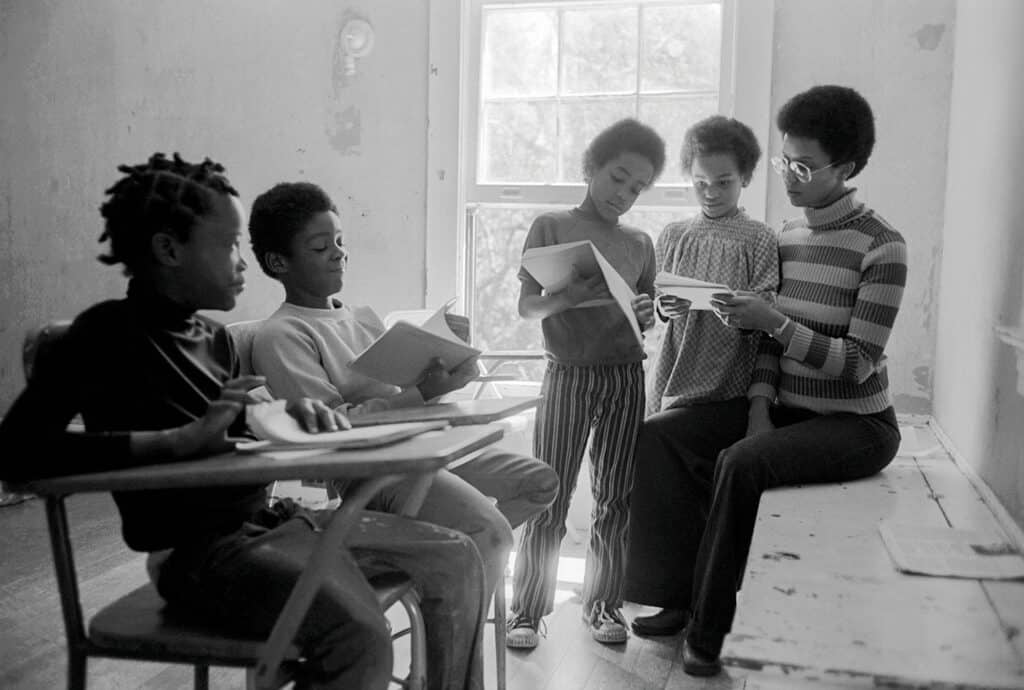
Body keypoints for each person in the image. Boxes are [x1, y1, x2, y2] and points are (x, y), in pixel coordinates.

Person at [0, 153, 489, 690]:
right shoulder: (99, 337)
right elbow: (17, 453)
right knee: (360, 637)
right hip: (200, 559)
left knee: (457, 556)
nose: (242, 262)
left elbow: (231, 437)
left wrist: (286, 418)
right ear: (168, 249)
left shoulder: (214, 339)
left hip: (271, 526)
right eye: (229, 245)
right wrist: (175, 441)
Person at [652, 85, 905, 677]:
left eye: (803, 165)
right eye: (782, 160)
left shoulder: (882, 246)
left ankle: (708, 633)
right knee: (661, 436)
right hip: (785, 409)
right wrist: (761, 406)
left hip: (857, 423)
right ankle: (675, 594)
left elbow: (858, 362)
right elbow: (767, 345)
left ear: (845, 168)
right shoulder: (788, 235)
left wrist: (776, 321)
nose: (788, 176)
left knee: (741, 464)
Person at [246, 181, 559, 605]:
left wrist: (445, 376)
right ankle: (452, 597)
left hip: (422, 447)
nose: (339, 253)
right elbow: (334, 427)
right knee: (492, 534)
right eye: (320, 248)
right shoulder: (282, 334)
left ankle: (444, 566)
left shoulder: (360, 316)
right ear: (278, 262)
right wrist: (422, 393)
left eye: (339, 241)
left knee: (539, 483)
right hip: (375, 471)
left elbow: (403, 389)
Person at [507, 118, 664, 648]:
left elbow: (647, 313)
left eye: (637, 188)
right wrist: (567, 299)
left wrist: (645, 313)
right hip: (567, 375)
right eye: (617, 178)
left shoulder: (641, 242)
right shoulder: (550, 226)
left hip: (624, 376)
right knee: (547, 491)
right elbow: (528, 307)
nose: (624, 194)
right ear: (592, 168)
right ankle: (526, 610)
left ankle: (603, 605)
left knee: (616, 496)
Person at [624, 115, 778, 637]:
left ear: (746, 179)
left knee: (661, 446)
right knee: (663, 469)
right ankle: (673, 599)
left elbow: (767, 310)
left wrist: (744, 308)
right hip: (677, 376)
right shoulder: (674, 233)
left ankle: (700, 602)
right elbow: (664, 306)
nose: (711, 192)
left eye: (724, 182)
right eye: (700, 182)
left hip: (731, 384)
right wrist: (664, 305)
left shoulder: (757, 237)